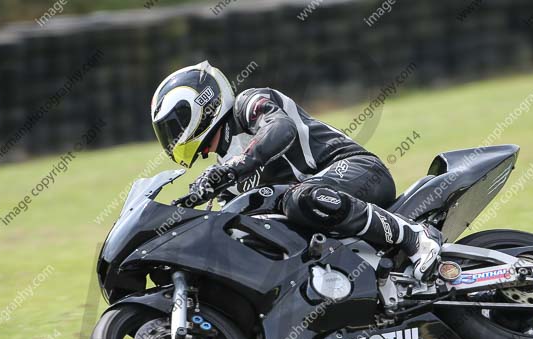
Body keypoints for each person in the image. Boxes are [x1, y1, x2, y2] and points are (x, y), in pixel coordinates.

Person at [150, 61, 441, 280]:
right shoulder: (225, 176)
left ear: (202, 104)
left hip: (357, 169)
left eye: (175, 126)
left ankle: (414, 236)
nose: (173, 137)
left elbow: (280, 128)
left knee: (300, 197)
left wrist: (235, 167)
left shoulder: (247, 104)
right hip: (319, 207)